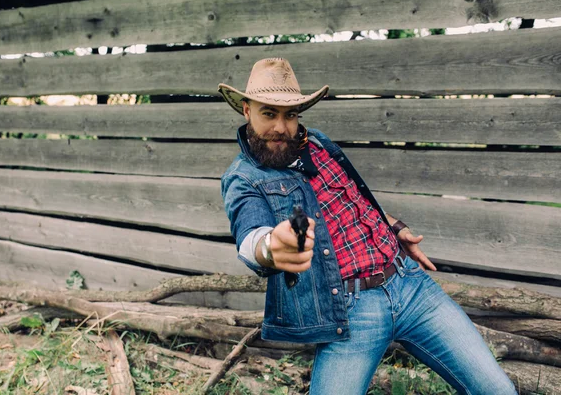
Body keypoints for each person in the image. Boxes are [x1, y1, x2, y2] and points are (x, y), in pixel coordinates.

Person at [218, 58, 517, 394]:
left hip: (410, 286)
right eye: (269, 114)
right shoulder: (243, 178)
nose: (281, 127)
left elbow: (352, 200)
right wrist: (271, 247)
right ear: (246, 111)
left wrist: (395, 227)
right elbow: (250, 235)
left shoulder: (316, 143)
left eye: (290, 114)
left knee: (498, 390)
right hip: (352, 310)